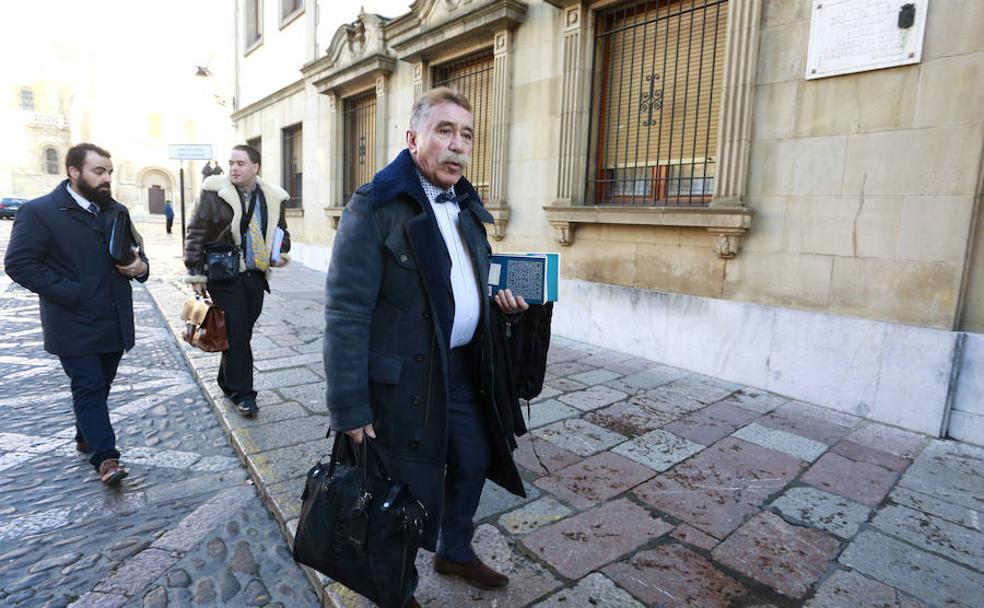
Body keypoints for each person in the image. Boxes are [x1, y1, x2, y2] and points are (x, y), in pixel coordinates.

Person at [323, 87, 528, 606]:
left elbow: (461, 283)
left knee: (476, 458)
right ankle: (397, 587)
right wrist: (349, 405)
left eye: (466, 134)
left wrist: (497, 302)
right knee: (400, 494)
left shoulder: (465, 207)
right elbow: (346, 312)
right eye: (445, 131)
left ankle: (453, 549)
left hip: (461, 371)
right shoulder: (373, 207)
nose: (458, 145)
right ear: (413, 138)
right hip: (401, 383)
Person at [4, 142, 149, 486]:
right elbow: (19, 264)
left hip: (113, 320)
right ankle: (106, 458)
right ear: (74, 172)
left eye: (109, 172)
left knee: (101, 385)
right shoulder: (40, 212)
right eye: (99, 171)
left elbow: (135, 254)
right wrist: (73, 293)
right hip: (71, 322)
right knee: (88, 385)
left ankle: (86, 436)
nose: (106, 178)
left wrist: (141, 267)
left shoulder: (116, 210)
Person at [183, 145, 290, 417]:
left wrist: (280, 252)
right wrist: (195, 270)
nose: (234, 168)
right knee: (239, 332)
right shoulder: (213, 192)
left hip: (255, 275)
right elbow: (195, 231)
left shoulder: (272, 197)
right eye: (231, 163)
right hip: (224, 275)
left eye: (241, 163)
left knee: (239, 332)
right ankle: (244, 394)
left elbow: (282, 232)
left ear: (256, 167)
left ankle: (226, 380)